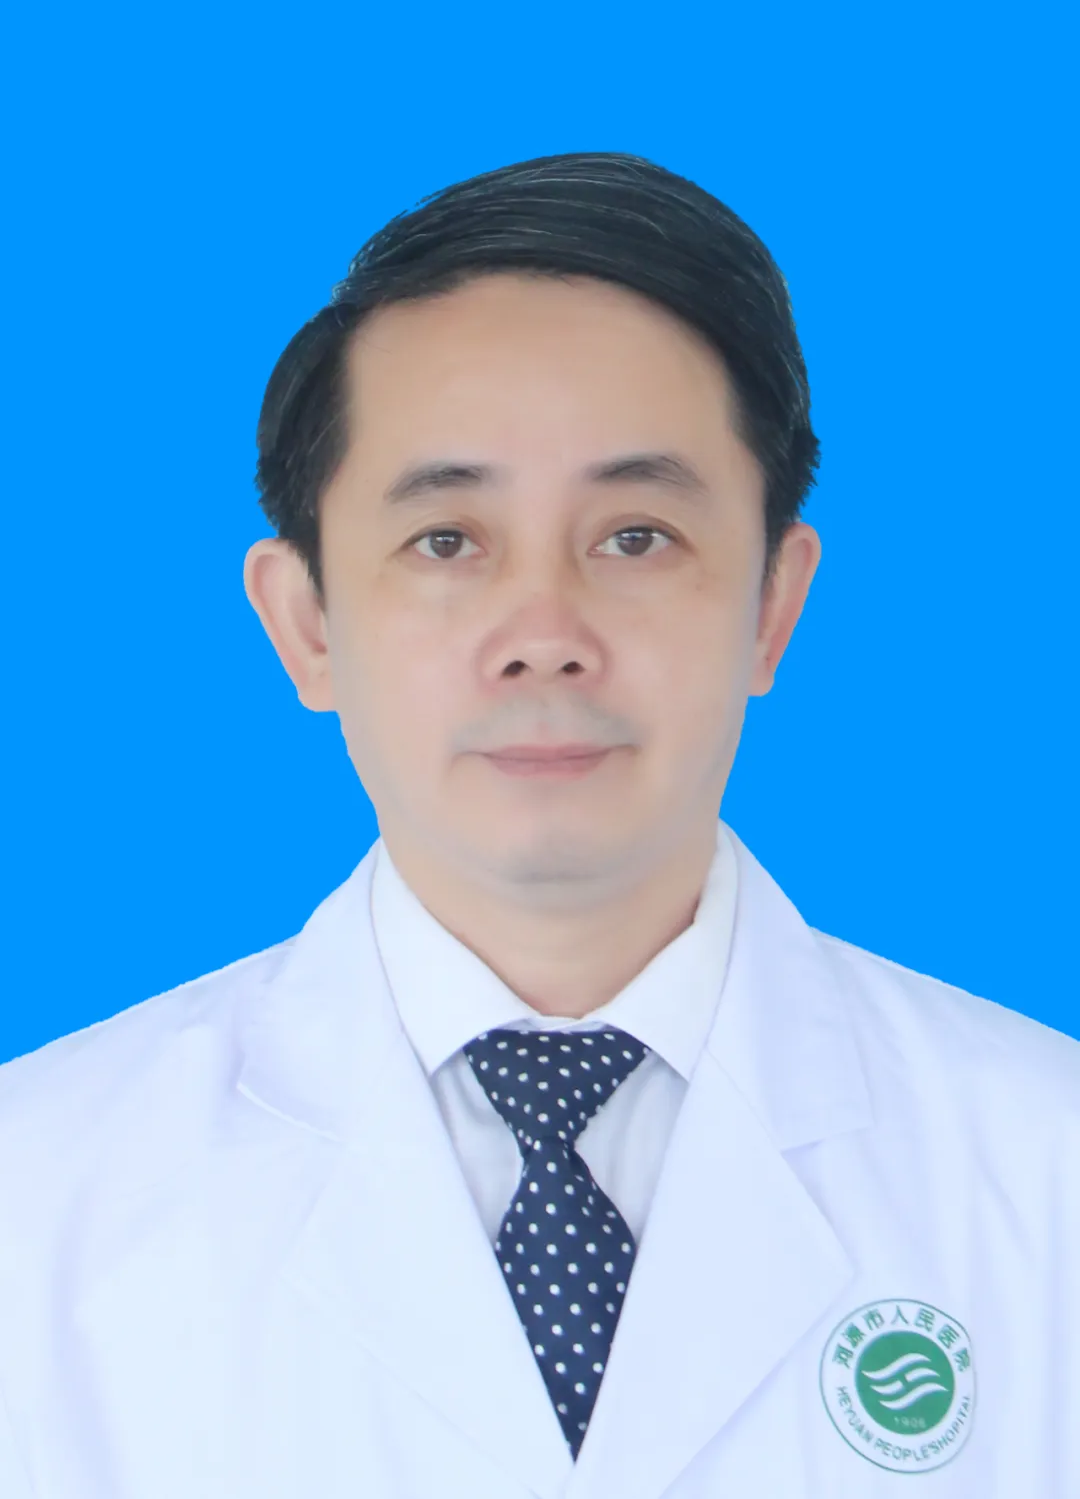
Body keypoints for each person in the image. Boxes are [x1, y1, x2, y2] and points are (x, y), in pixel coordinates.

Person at [0, 152, 1077, 1499]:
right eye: (448, 541)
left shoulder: (1049, 1170)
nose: (546, 636)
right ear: (307, 623)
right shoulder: (35, 1198)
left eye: (635, 537)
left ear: (772, 605)